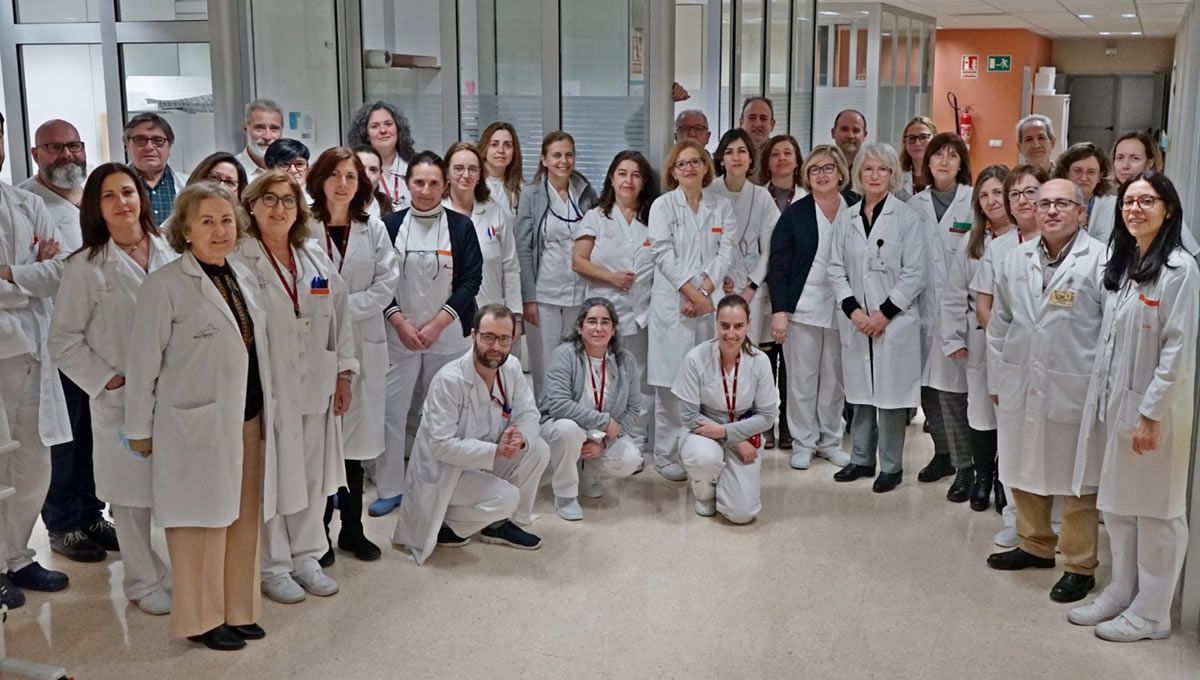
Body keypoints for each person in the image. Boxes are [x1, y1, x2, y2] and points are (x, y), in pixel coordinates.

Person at [124, 183, 275, 650]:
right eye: (207, 222)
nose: (219, 230)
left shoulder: (241, 275)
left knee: (242, 519)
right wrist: (139, 431)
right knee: (198, 524)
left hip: (247, 419)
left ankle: (238, 608)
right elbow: (142, 365)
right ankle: (202, 619)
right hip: (193, 424)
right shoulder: (165, 285)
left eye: (226, 220)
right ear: (185, 230)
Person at [1068, 171, 1199, 641]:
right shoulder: (1126, 265)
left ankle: (1153, 612)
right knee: (1120, 508)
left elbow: (1177, 349)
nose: (1135, 209)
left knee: (1158, 512)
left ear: (1169, 209)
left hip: (1153, 414)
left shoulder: (1180, 270)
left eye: (1147, 201)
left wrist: (1151, 414)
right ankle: (1121, 591)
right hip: (1117, 406)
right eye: (1128, 201)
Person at [47, 163, 177, 614]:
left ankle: (173, 570)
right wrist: (108, 381)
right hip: (121, 399)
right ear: (95, 208)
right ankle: (141, 581)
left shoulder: (172, 250)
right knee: (130, 495)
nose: (122, 202)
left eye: (128, 192)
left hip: (176, 393)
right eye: (109, 196)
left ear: (142, 197)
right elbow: (63, 339)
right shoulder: (85, 266)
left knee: (174, 487)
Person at [235, 171, 356, 604]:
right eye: (269, 199)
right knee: (272, 476)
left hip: (315, 383)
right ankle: (273, 566)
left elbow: (340, 316)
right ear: (251, 205)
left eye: (288, 201)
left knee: (310, 476)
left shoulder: (312, 257)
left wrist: (344, 373)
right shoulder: (239, 259)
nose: (279, 208)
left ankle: (307, 556)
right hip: (269, 389)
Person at [984, 179, 1106, 606]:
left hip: (1075, 385)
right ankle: (1034, 544)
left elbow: (1110, 332)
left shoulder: (1101, 260)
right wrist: (999, 379)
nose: (1052, 210)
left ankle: (1079, 565)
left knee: (1077, 479)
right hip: (1021, 381)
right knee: (1024, 465)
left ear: (1082, 212)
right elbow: (999, 324)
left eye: (1062, 204)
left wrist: (1101, 388)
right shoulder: (1016, 259)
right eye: (1045, 203)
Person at [21, 119, 117, 563]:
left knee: (94, 434)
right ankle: (63, 524)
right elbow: (45, 274)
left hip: (102, 339)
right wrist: (44, 266)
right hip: (54, 341)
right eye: (55, 147)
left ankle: (92, 514)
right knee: (62, 439)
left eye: (74, 146)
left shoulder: (96, 198)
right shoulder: (26, 202)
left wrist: (54, 264)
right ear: (36, 154)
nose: (67, 155)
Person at [391, 304, 549, 563]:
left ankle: (498, 525)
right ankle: (447, 524)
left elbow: (529, 414)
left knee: (537, 449)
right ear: (473, 335)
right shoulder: (449, 380)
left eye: (504, 339)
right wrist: (495, 452)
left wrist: (519, 438)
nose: (495, 346)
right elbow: (442, 445)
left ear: (513, 340)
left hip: (484, 460)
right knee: (507, 497)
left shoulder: (511, 368)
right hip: (445, 472)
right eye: (488, 337)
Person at [374, 151, 484, 517]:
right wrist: (399, 322)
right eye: (418, 182)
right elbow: (378, 279)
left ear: (445, 185)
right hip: (399, 336)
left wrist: (437, 324)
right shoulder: (389, 226)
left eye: (433, 183)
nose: (425, 189)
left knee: (445, 415)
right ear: (407, 184)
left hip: (447, 337)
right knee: (392, 413)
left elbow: (471, 280)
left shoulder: (461, 227)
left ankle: (442, 485)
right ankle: (390, 487)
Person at [306, 147, 398, 563]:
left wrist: (343, 307)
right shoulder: (303, 226)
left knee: (355, 449)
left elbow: (387, 283)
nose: (342, 184)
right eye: (334, 175)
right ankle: (318, 534)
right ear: (319, 179)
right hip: (316, 344)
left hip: (363, 341)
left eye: (351, 176)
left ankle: (353, 530)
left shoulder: (371, 227)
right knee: (321, 444)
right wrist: (333, 310)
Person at [0, 112, 73, 609]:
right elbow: (39, 279)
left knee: (32, 463)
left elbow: (59, 273)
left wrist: (11, 275)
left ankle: (17, 556)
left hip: (34, 351)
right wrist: (28, 275)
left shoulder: (26, 203)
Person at [828, 143, 925, 493]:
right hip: (857, 321)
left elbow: (915, 273)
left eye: (882, 169)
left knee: (891, 400)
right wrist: (855, 312)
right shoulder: (847, 218)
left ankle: (892, 466)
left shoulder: (906, 217)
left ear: (892, 174)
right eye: (868, 169)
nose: (874, 175)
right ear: (858, 174)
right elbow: (835, 268)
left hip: (894, 322)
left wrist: (883, 315)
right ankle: (861, 459)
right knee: (860, 395)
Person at [646, 140, 735, 481]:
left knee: (706, 382)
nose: (689, 168)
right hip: (674, 305)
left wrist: (703, 294)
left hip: (704, 303)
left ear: (705, 166)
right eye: (682, 163)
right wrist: (693, 294)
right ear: (673, 170)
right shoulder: (663, 206)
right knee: (670, 386)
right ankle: (666, 454)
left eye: (696, 161)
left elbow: (725, 253)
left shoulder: (721, 206)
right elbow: (662, 254)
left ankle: (701, 449)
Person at [972, 164, 1048, 546]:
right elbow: (986, 309)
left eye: (1030, 192)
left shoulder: (1066, 245)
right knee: (1011, 443)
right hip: (1009, 362)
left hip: (1053, 366)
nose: (1022, 200)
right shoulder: (999, 248)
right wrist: (1010, 350)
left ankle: (1051, 523)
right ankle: (1014, 517)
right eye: (1014, 194)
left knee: (1048, 445)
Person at [768, 145, 851, 471]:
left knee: (834, 381)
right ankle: (803, 443)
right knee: (802, 381)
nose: (821, 174)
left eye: (828, 168)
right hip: (802, 308)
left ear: (841, 172)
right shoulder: (795, 213)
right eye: (815, 169)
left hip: (844, 309)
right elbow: (779, 265)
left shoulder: (855, 207)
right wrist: (779, 311)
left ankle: (830, 441)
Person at [572, 150, 656, 455]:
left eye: (635, 175)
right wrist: (611, 278)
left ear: (643, 181)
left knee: (640, 382)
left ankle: (635, 443)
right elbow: (579, 262)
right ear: (611, 178)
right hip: (603, 312)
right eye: (622, 173)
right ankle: (597, 439)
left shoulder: (653, 218)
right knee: (601, 379)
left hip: (643, 313)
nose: (628, 180)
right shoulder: (596, 216)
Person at [908, 133, 975, 499]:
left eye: (952, 156)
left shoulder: (973, 202)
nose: (944, 162)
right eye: (938, 155)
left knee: (954, 394)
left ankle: (966, 466)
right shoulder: (913, 204)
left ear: (961, 163)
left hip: (959, 314)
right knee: (927, 390)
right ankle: (943, 455)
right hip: (920, 313)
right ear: (927, 161)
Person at [941, 164, 1010, 512]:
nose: (991, 200)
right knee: (980, 412)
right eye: (983, 195)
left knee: (1009, 413)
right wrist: (954, 338)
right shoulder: (972, 241)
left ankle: (1004, 480)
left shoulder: (1028, 238)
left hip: (1016, 340)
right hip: (980, 337)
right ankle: (983, 477)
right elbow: (954, 294)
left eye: (998, 192)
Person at [674, 295, 778, 522]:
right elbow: (689, 416)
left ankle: (727, 482)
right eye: (725, 326)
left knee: (742, 514)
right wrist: (734, 439)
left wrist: (727, 433)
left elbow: (768, 417)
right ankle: (705, 493)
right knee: (704, 459)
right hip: (702, 433)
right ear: (716, 324)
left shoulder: (760, 361)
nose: (731, 333)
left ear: (749, 325)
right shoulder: (695, 359)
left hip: (742, 433)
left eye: (738, 326)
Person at [708, 129, 783, 446]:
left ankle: (754, 423)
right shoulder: (709, 193)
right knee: (719, 354)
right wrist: (718, 278)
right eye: (729, 152)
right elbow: (705, 244)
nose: (736, 157)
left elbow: (770, 249)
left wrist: (751, 286)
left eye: (742, 151)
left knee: (751, 357)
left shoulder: (762, 198)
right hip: (717, 288)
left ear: (751, 159)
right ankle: (719, 421)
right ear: (721, 159)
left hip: (754, 288)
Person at [539, 298, 643, 520]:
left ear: (613, 330)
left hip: (599, 434)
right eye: (592, 321)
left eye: (605, 322)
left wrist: (604, 442)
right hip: (561, 426)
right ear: (579, 327)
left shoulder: (626, 361)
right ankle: (565, 495)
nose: (598, 328)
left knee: (631, 459)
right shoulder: (564, 354)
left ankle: (587, 473)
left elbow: (633, 409)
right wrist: (604, 421)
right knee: (568, 430)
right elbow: (558, 405)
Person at [514, 131, 598, 395]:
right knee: (546, 362)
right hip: (544, 293)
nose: (564, 161)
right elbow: (523, 248)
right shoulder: (531, 194)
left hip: (579, 292)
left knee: (575, 359)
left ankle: (571, 412)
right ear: (544, 159)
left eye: (569, 155)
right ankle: (545, 413)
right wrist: (528, 297)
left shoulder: (585, 192)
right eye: (557, 155)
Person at [445, 142, 522, 320]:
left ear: (480, 175)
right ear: (447, 174)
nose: (466, 175)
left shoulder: (495, 213)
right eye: (458, 168)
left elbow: (510, 268)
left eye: (473, 169)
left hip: (490, 311)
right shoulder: (437, 214)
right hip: (445, 313)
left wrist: (516, 316)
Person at [348, 100, 417, 211]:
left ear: (398, 129)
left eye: (388, 124)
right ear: (365, 134)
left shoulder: (415, 166)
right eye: (375, 126)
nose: (383, 130)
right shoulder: (351, 169)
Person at [124, 113, 188, 226]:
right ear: (127, 146)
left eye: (158, 140)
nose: (149, 147)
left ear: (169, 147)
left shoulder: (188, 185)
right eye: (140, 140)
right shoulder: (109, 185)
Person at [1053, 143, 1117, 244]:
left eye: (1091, 172)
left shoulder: (1113, 205)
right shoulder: (1051, 204)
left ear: (1100, 176)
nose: (1083, 178)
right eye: (1077, 171)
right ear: (1066, 173)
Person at [479, 121, 524, 218]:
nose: (501, 150)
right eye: (494, 144)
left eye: (507, 145)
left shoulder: (522, 189)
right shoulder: (472, 184)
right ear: (484, 148)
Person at [235, 99, 284, 181]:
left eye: (274, 129)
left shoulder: (292, 169)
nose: (267, 137)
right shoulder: (231, 170)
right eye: (259, 128)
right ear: (245, 129)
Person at [757, 134, 806, 211]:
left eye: (787, 153)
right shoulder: (756, 197)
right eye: (775, 154)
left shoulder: (809, 195)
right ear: (767, 164)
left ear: (797, 161)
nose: (782, 158)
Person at [897, 116, 937, 201]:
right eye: (912, 138)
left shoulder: (945, 174)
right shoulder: (895, 176)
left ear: (935, 139)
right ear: (905, 142)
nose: (917, 143)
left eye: (923, 137)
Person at [352, 145, 395, 218]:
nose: (366, 175)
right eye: (359, 168)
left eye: (373, 170)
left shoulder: (390, 212)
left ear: (380, 174)